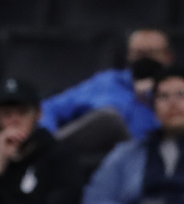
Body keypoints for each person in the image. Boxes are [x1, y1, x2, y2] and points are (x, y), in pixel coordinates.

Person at [83, 65, 184, 204]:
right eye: (163, 97)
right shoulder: (126, 153)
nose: (172, 103)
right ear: (153, 106)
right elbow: (94, 203)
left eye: (181, 95)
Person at [41, 29, 173, 145]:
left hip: (145, 160)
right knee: (108, 118)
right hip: (95, 155)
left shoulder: (176, 90)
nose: (145, 59)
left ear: (168, 57)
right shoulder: (107, 82)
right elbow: (49, 108)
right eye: (138, 53)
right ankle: (44, 152)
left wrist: (150, 96)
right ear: (129, 56)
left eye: (152, 53)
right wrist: (47, 134)